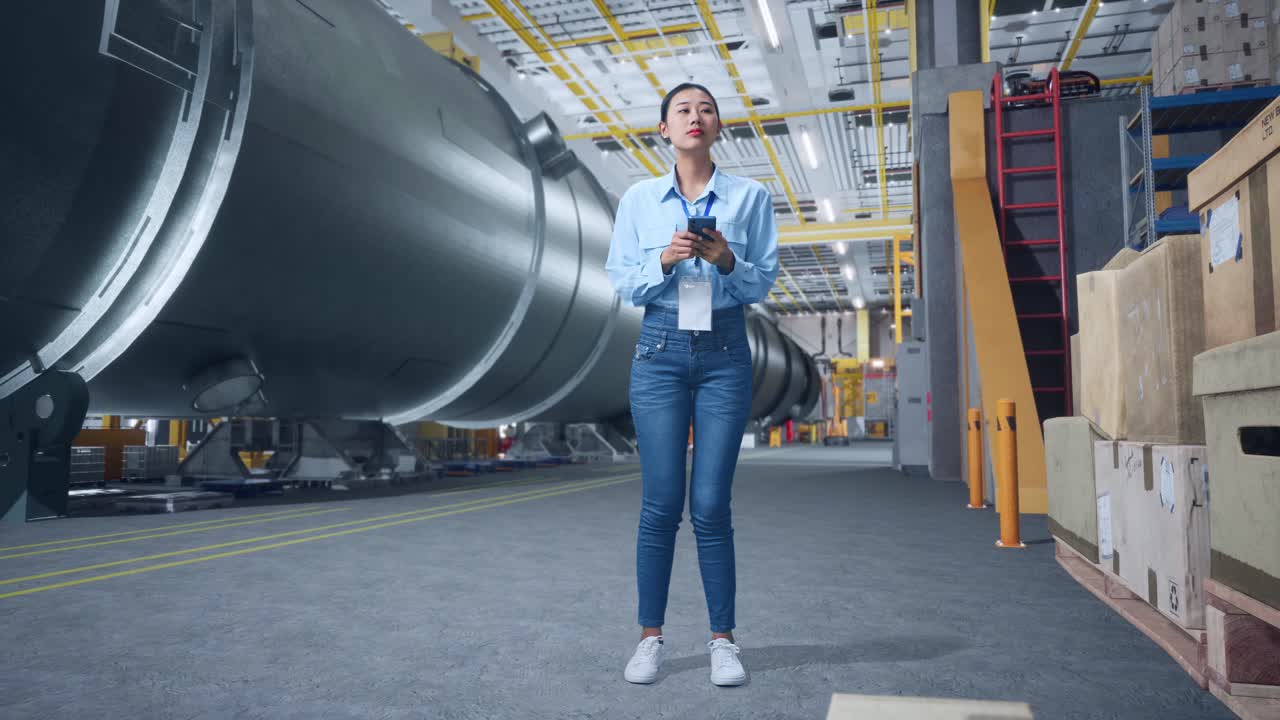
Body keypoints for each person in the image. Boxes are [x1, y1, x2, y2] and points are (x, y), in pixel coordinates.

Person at [605, 82, 780, 687]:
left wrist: (728, 260)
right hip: (658, 352)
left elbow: (762, 283)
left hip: (725, 353)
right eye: (682, 110)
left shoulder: (751, 197)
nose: (695, 117)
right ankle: (650, 638)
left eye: (705, 109)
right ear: (664, 130)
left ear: (718, 126)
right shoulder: (638, 200)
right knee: (660, 505)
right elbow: (622, 280)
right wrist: (665, 260)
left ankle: (723, 641)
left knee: (710, 506)